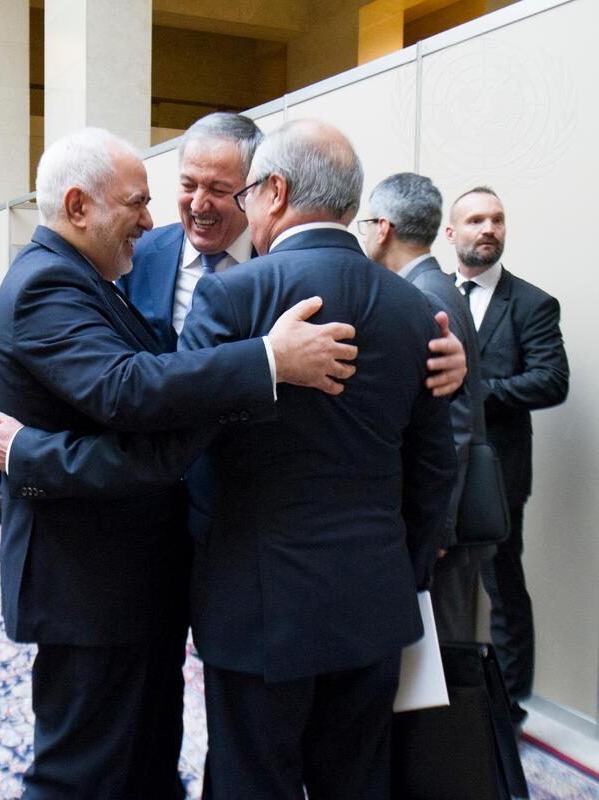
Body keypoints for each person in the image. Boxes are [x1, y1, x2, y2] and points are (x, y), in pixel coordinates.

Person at [0, 126, 361, 798]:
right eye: (139, 202)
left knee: (145, 762)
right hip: (92, 583)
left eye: (220, 187)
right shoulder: (49, 285)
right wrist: (267, 362)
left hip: (151, 576)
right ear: (78, 207)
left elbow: (155, 404)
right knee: (81, 774)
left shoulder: (91, 275)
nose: (157, 218)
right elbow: (132, 390)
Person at [180, 120, 456, 799]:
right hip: (375, 603)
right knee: (358, 782)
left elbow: (180, 441)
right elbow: (434, 472)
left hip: (256, 606)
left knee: (252, 782)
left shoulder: (233, 294)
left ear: (275, 191)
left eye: (245, 193)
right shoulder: (416, 311)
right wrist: (402, 571)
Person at [448, 186, 569, 724]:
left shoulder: (532, 303)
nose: (488, 229)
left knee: (503, 587)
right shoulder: (431, 293)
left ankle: (510, 708)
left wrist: (476, 389)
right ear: (451, 233)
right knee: (441, 583)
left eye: (497, 220)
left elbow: (551, 381)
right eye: (476, 220)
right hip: (437, 468)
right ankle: (444, 698)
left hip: (498, 471)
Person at [361, 172, 488, 641]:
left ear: (384, 227)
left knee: (443, 653)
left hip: (442, 523)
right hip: (442, 514)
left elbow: (450, 421)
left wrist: (437, 525)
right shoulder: (439, 286)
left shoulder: (424, 295)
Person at [119, 112, 262, 351]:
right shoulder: (139, 254)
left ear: (251, 190)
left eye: (217, 190)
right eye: (189, 186)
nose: (197, 205)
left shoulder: (278, 263)